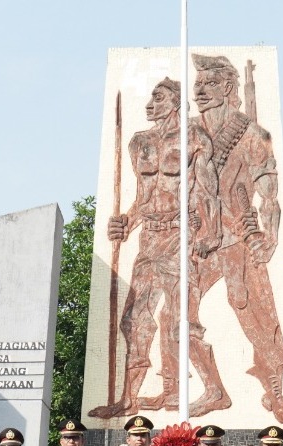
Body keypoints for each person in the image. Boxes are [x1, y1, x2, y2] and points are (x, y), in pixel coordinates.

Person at [89, 77, 222, 418]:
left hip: (182, 236)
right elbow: (142, 198)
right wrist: (125, 222)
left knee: (180, 321)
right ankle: (130, 399)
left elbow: (207, 190)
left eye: (158, 97)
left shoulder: (194, 137)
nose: (150, 103)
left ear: (176, 102)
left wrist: (211, 233)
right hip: (149, 237)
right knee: (135, 319)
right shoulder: (140, 142)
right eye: (151, 96)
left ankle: (212, 391)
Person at [189, 53, 283, 423]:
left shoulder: (251, 134)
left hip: (237, 238)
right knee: (179, 315)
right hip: (198, 241)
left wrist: (271, 235)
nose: (200, 90)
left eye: (209, 84)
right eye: (197, 84)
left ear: (228, 88)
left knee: (253, 314)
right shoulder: (186, 134)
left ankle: (275, 392)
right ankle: (214, 390)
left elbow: (268, 190)